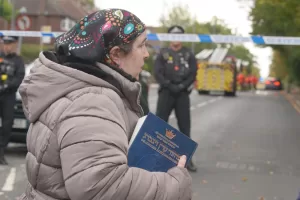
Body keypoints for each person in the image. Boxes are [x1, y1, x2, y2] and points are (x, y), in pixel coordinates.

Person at [18, 9, 192, 200]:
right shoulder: (92, 101)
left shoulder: (81, 89)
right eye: (142, 45)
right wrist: (175, 184)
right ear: (116, 54)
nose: (146, 54)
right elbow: (102, 186)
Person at [154, 25, 198, 172]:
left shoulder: (189, 54)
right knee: (159, 126)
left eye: (179, 35)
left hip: (182, 94)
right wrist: (168, 84)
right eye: (173, 35)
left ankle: (187, 160)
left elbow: (193, 73)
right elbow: (157, 72)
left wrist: (182, 86)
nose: (176, 38)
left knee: (185, 128)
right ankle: (155, 158)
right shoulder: (163, 53)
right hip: (166, 92)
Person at [0, 36, 25, 165]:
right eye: (5, 44)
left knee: (6, 126)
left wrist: (7, 86)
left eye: (9, 44)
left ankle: (1, 153)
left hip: (9, 96)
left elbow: (19, 77)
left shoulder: (18, 61)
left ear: (14, 45)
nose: (6, 46)